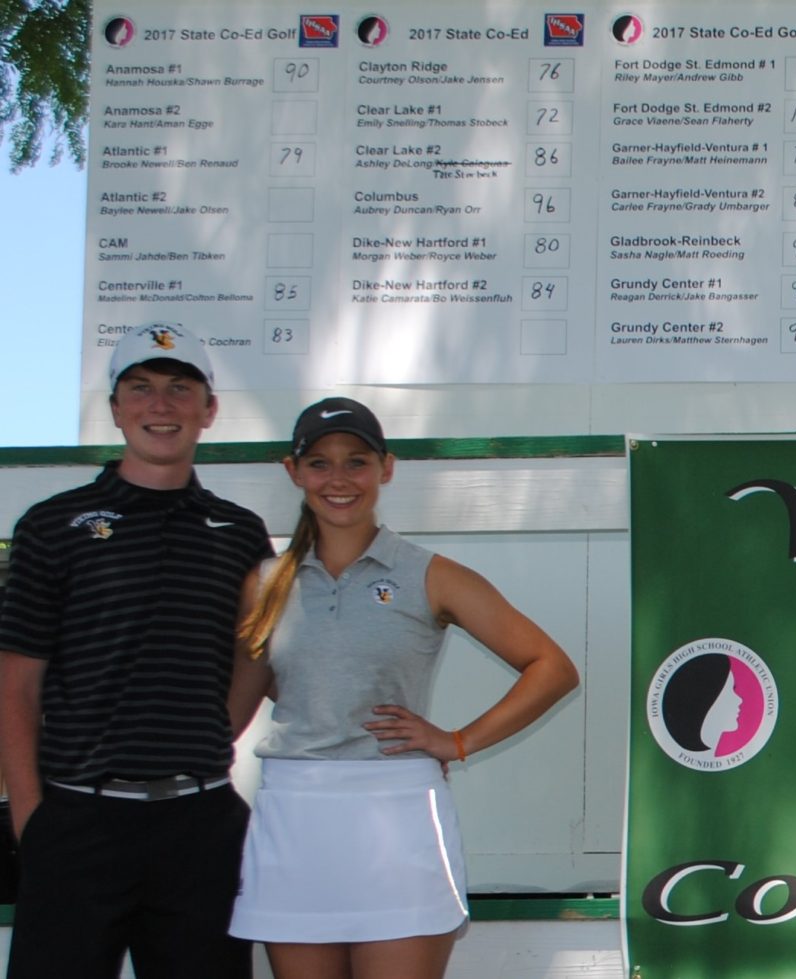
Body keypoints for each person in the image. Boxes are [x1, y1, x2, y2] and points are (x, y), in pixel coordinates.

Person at [225, 396, 579, 979]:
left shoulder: (430, 574)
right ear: (294, 472)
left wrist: (458, 741)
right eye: (319, 463)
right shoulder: (263, 584)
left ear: (385, 468)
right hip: (293, 814)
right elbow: (248, 700)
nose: (339, 479)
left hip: (397, 811)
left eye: (357, 462)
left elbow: (552, 667)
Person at [0, 324, 272, 979]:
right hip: (76, 822)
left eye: (180, 389)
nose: (161, 405)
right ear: (116, 408)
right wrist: (33, 819)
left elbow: (256, 657)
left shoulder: (240, 533)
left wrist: (204, 738)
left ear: (208, 409)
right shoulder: (52, 526)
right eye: (141, 388)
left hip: (201, 829)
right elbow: (15, 684)